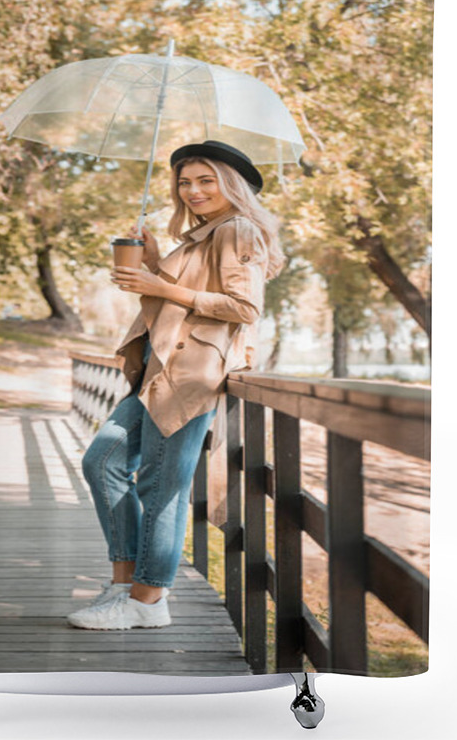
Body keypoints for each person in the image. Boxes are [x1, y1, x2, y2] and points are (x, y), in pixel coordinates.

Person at [67, 140, 285, 630]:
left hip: (191, 376)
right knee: (102, 460)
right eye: (185, 182)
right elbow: (175, 301)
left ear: (230, 185)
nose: (193, 190)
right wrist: (151, 263)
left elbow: (243, 307)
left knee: (164, 487)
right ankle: (126, 583)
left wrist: (162, 285)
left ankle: (147, 601)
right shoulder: (199, 235)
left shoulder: (238, 230)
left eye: (206, 180)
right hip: (159, 371)